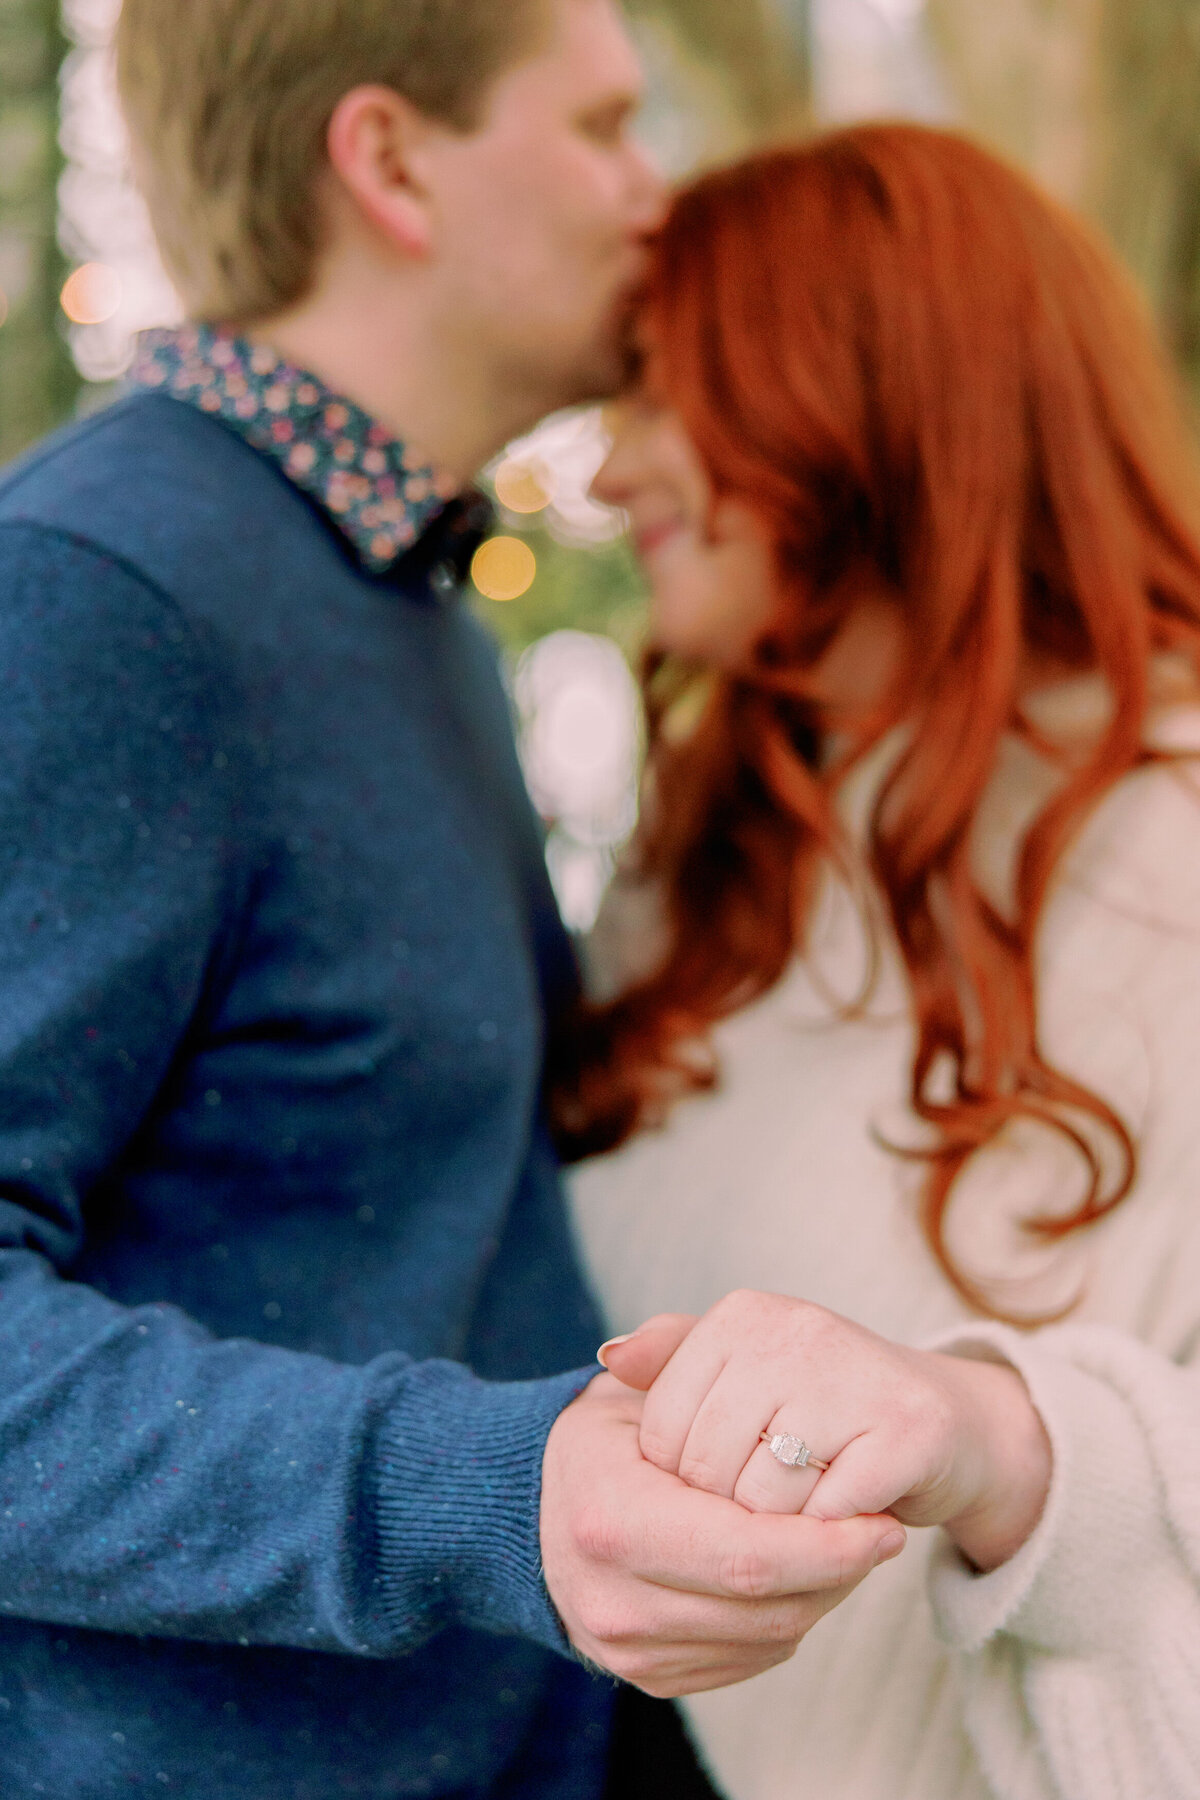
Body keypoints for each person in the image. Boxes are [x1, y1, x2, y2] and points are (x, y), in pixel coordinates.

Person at [0, 4, 909, 1796]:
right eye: (601, 127)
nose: (656, 196)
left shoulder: (405, 598)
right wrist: (480, 1496)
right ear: (391, 162)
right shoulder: (99, 596)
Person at [568, 122, 1200, 1799]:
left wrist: (1006, 1447)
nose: (609, 470)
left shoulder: (1175, 861)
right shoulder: (700, 876)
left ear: (865, 383)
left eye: (656, 389)